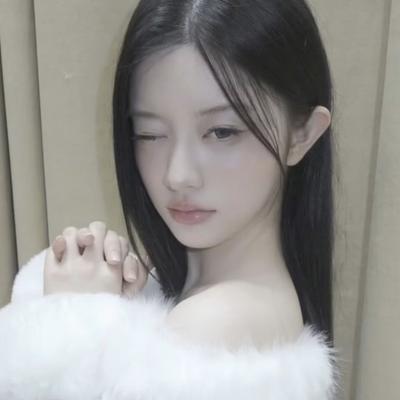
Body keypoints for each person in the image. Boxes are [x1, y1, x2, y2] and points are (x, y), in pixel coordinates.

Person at [0, 0, 341, 398]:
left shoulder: (213, 325)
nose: (177, 175)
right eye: (150, 134)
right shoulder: (192, 304)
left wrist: (70, 318)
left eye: (222, 132)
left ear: (302, 134)